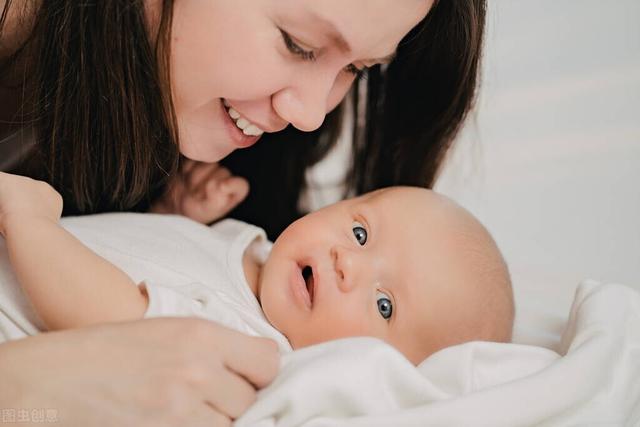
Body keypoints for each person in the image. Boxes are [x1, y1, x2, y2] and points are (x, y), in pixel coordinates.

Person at [0, 0, 487, 424]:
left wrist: (167, 217)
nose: (311, 115)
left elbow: (135, 296)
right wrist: (22, 391)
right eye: (298, 44)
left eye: (356, 68)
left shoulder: (256, 341)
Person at [0, 172, 514, 367]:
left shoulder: (248, 343)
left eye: (384, 305)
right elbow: (152, 265)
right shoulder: (256, 247)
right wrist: (173, 216)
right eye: (360, 233)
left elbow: (105, 316)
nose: (347, 262)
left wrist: (29, 223)